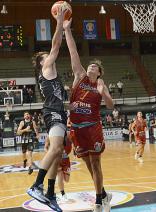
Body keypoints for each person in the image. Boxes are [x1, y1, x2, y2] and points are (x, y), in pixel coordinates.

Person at [64, 17, 114, 212]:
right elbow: (73, 52)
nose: (91, 66)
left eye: (95, 67)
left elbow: (110, 105)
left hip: (93, 127)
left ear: (100, 72)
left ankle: (99, 202)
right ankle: (103, 193)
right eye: (90, 65)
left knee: (96, 162)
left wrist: (104, 95)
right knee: (86, 163)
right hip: (76, 128)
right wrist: (67, 30)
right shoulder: (80, 76)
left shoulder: (101, 85)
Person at [26, 7, 67, 212]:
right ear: (43, 62)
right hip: (53, 111)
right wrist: (60, 22)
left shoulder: (49, 74)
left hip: (56, 110)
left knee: (57, 154)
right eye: (46, 55)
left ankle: (51, 194)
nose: (49, 56)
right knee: (56, 150)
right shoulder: (46, 67)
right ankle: (36, 185)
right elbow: (56, 45)